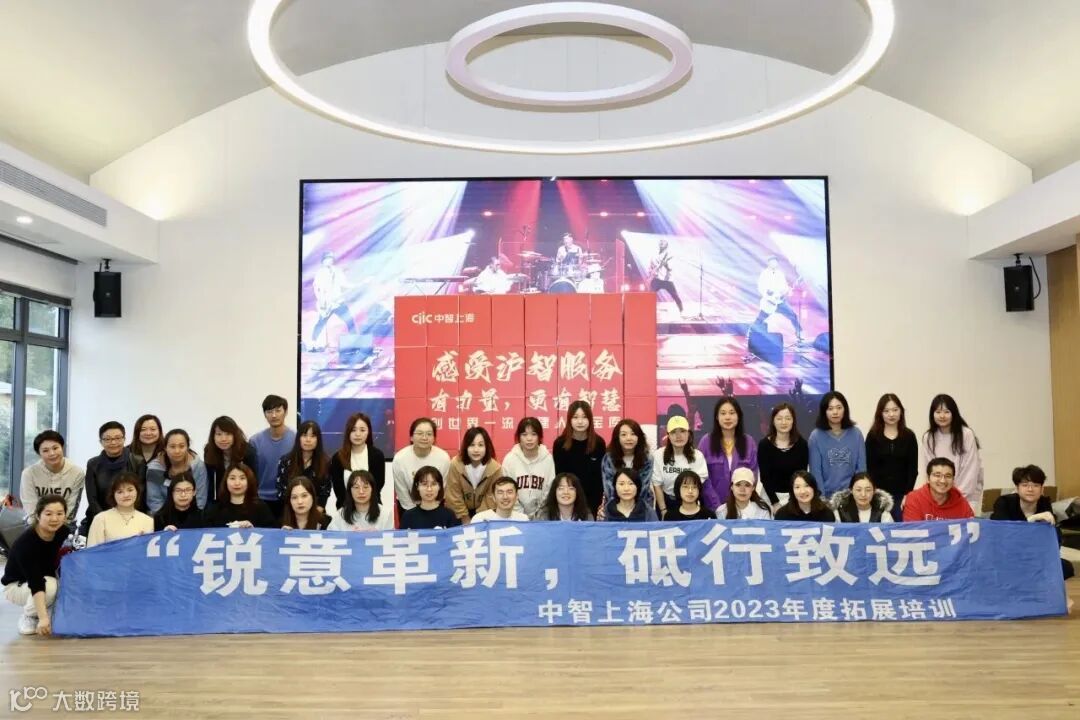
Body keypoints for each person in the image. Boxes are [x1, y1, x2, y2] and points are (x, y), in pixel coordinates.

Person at [1, 495, 69, 635]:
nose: (54, 519)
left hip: (44, 577)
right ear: (38, 515)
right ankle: (30, 615)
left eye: (59, 513)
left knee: (59, 583)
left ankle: (46, 607)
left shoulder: (62, 531)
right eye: (48, 514)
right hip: (17, 585)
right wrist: (43, 618)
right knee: (50, 586)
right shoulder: (26, 544)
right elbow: (36, 581)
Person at [991, 465, 1073, 579]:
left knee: (1066, 567)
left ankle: (1030, 575)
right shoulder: (1004, 502)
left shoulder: (1044, 503)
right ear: (1017, 488)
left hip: (1034, 556)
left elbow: (1052, 538)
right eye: (1025, 485)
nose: (1030, 489)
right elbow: (1002, 533)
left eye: (1036, 485)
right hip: (1008, 555)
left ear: (1042, 489)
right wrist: (1032, 519)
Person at [920, 394, 983, 516]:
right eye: (938, 412)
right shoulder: (928, 437)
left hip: (965, 496)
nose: (942, 416)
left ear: (954, 413)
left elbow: (970, 470)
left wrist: (954, 496)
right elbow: (928, 470)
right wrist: (938, 494)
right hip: (938, 496)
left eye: (946, 412)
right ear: (932, 414)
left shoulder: (966, 434)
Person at [81, 420, 142, 536]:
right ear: (101, 441)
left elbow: (140, 495)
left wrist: (125, 519)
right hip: (99, 519)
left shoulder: (137, 462)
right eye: (108, 439)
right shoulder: (93, 464)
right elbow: (92, 498)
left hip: (129, 520)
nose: (113, 442)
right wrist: (105, 520)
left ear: (124, 439)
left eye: (118, 438)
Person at [698, 397, 758, 512]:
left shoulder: (749, 442)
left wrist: (741, 503)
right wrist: (717, 506)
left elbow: (752, 476)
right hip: (712, 507)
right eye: (723, 413)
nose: (727, 417)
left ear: (738, 416)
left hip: (742, 506)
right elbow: (703, 478)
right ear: (717, 417)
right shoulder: (706, 442)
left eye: (732, 413)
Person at [865, 393, 918, 520]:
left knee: (900, 527)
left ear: (901, 411)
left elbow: (912, 469)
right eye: (886, 411)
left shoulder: (909, 436)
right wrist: (873, 493)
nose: (891, 414)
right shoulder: (873, 436)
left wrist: (908, 495)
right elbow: (869, 467)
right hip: (878, 495)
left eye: (895, 410)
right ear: (880, 413)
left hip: (902, 495)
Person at [19, 430, 84, 529]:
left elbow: (72, 507)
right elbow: (30, 506)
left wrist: (57, 525)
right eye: (45, 450)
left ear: (62, 447)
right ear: (39, 453)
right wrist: (43, 528)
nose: (52, 453)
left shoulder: (77, 473)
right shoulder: (29, 473)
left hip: (65, 524)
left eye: (55, 448)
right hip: (35, 524)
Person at [552, 401, 607, 517]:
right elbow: (558, 476)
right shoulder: (560, 444)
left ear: (590, 419)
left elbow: (600, 477)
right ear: (569, 420)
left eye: (584, 417)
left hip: (592, 501)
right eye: (575, 417)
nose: (580, 421)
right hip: (567, 500)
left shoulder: (599, 443)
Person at [808, 391, 866, 497]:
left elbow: (861, 468)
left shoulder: (856, 434)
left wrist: (858, 494)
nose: (835, 412)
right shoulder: (815, 437)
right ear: (824, 411)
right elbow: (816, 472)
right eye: (830, 409)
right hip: (827, 496)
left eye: (839, 408)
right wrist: (821, 499)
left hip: (852, 496)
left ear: (845, 409)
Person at [249, 394, 297, 519]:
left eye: (278, 410)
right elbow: (251, 474)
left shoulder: (296, 439)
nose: (274, 415)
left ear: (285, 412)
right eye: (269, 411)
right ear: (265, 415)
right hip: (261, 499)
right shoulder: (255, 441)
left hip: (288, 499)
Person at [652, 415, 708, 517]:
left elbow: (698, 485)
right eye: (674, 432)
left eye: (682, 431)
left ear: (688, 433)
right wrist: (663, 510)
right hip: (666, 502)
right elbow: (657, 485)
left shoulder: (697, 456)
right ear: (668, 435)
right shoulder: (658, 455)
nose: (678, 436)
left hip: (690, 503)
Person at [392, 418, 451, 513]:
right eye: (419, 433)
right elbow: (402, 490)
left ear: (434, 438)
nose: (424, 438)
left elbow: (442, 488)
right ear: (411, 437)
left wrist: (431, 508)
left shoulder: (443, 457)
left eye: (429, 434)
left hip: (435, 505)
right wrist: (414, 514)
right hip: (408, 507)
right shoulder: (400, 458)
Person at [445, 427, 502, 524]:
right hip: (459, 513)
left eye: (480, 445)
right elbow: (453, 494)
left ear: (487, 447)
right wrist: (465, 518)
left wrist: (478, 519)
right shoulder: (456, 464)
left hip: (484, 514)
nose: (476, 450)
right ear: (466, 447)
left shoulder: (495, 468)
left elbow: (491, 496)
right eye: (472, 445)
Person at [600, 419, 656, 519]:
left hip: (643, 506)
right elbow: (609, 488)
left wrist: (634, 510)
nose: (629, 438)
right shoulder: (608, 458)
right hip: (614, 506)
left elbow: (643, 487)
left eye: (633, 434)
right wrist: (617, 508)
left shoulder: (647, 459)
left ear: (639, 437)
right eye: (624, 434)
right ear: (617, 438)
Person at [500, 417, 555, 518]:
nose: (529, 438)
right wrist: (520, 514)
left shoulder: (548, 459)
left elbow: (550, 488)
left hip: (541, 516)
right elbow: (506, 489)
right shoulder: (510, 459)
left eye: (533, 434)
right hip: (514, 515)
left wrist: (538, 512)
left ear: (539, 437)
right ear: (519, 437)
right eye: (524, 434)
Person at [329, 412, 386, 509]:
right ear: (348, 432)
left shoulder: (377, 456)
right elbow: (338, 489)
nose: (358, 434)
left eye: (362, 430)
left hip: (371, 507)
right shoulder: (338, 457)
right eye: (353, 430)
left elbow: (378, 485)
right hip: (346, 508)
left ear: (368, 432)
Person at [145, 429, 208, 514]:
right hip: (163, 515)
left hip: (192, 515)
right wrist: (164, 518)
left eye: (181, 446)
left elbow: (200, 498)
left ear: (187, 447)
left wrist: (193, 517)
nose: (177, 451)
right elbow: (154, 500)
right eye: (172, 446)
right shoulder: (154, 469)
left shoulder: (198, 466)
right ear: (165, 448)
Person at [757, 403, 809, 505]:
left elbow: (801, 476)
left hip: (795, 497)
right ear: (773, 421)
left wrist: (792, 502)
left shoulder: (802, 444)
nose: (784, 422)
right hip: (770, 497)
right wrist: (775, 503)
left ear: (793, 421)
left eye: (788, 418)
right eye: (779, 418)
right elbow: (765, 478)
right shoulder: (764, 445)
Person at [85, 472, 154, 547]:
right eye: (120, 492)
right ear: (113, 495)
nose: (126, 495)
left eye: (130, 490)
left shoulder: (148, 521)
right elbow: (92, 551)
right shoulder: (101, 519)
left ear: (137, 491)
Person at [275, 420, 331, 510]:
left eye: (312, 436)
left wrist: (315, 512)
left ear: (318, 440)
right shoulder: (285, 461)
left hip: (315, 511)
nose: (308, 440)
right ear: (298, 438)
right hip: (290, 511)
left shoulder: (325, 462)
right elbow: (281, 491)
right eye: (304, 435)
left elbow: (324, 492)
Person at [202, 416, 258, 506]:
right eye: (219, 434)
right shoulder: (209, 451)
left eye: (228, 434)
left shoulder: (247, 452)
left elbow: (253, 482)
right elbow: (210, 483)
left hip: (243, 500)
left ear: (235, 435)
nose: (223, 439)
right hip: (220, 500)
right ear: (213, 436)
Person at [204, 464, 278, 528]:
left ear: (249, 481)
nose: (237, 483)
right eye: (232, 478)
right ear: (225, 481)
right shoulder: (215, 509)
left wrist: (253, 529)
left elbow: (271, 534)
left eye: (242, 478)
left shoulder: (261, 507)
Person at [902, 458, 975, 521]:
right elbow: (914, 531)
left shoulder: (962, 503)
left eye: (948, 476)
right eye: (937, 475)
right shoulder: (914, 499)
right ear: (928, 478)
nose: (943, 481)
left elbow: (971, 528)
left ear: (953, 480)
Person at [310, 251, 357, 349]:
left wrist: (356, 285)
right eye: (327, 259)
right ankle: (313, 343)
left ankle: (355, 343)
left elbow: (344, 284)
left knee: (350, 321)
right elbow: (317, 289)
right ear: (323, 261)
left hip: (338, 302)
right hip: (326, 304)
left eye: (331, 259)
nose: (329, 261)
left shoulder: (337, 271)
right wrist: (322, 302)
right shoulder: (320, 273)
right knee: (320, 323)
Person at [751, 255, 803, 344]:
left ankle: (799, 333)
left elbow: (784, 286)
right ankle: (751, 333)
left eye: (775, 262)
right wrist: (769, 296)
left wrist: (784, 291)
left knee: (792, 315)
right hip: (769, 302)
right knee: (760, 319)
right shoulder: (764, 274)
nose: (773, 263)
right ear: (768, 263)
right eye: (771, 262)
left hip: (780, 302)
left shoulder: (780, 274)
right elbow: (761, 287)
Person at [329, 470, 393, 531]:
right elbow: (330, 537)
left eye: (365, 487)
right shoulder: (340, 516)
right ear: (350, 491)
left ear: (372, 490)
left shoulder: (385, 514)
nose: (361, 492)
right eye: (356, 487)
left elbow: (391, 537)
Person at [830, 472, 895, 523]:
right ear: (851, 490)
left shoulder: (883, 513)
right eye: (858, 490)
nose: (863, 494)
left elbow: (890, 534)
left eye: (868, 490)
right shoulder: (840, 513)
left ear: (874, 491)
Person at [648, 237, 683, 313]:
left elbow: (670, 268)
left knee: (675, 295)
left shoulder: (669, 255)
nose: (661, 243)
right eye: (660, 242)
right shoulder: (654, 255)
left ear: (666, 245)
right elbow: (651, 266)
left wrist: (666, 265)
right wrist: (650, 273)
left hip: (667, 280)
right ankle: (648, 310)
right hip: (657, 279)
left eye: (663, 242)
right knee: (650, 294)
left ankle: (681, 310)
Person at [127, 414, 165, 481]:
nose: (148, 433)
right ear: (137, 432)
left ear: (160, 431)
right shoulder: (127, 452)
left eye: (153, 429)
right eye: (143, 429)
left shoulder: (167, 451)